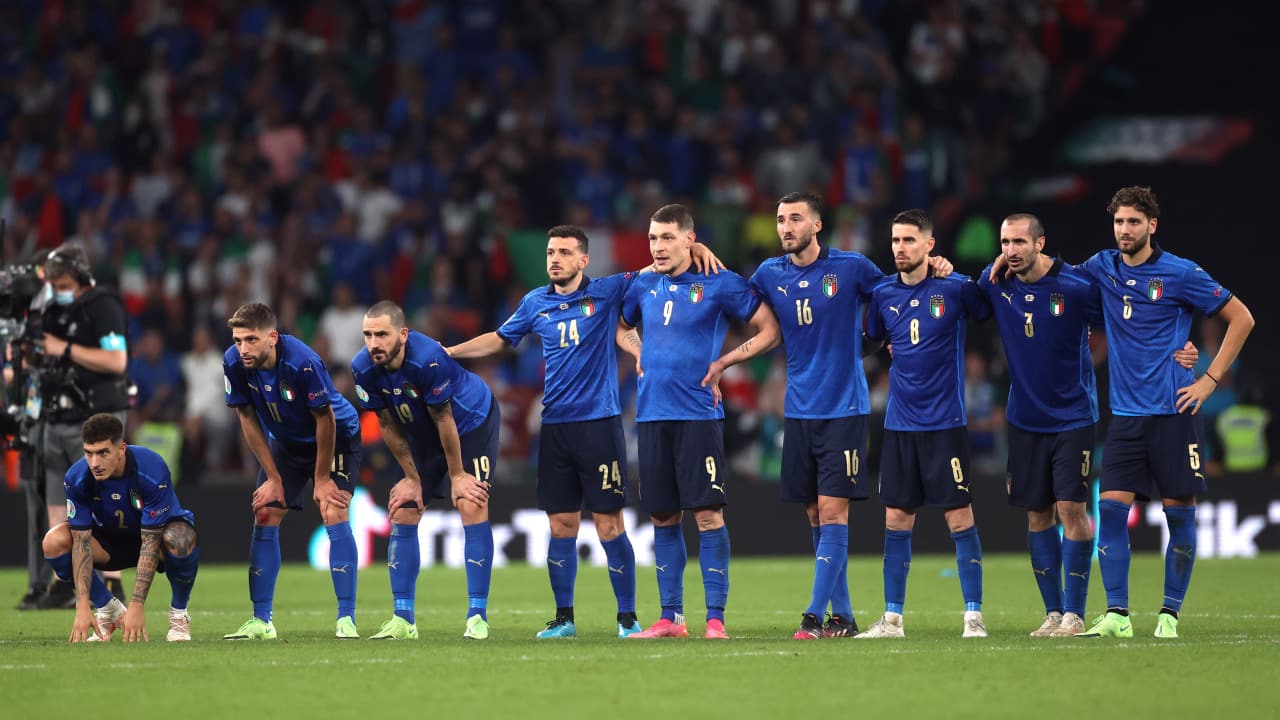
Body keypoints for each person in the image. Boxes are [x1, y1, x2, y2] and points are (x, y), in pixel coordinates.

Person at [447, 225, 723, 639]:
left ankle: (627, 618)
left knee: (610, 524)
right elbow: (500, 339)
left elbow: (658, 266)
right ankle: (564, 618)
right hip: (554, 427)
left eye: (563, 252)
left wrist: (693, 245)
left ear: (583, 260)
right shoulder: (534, 302)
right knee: (561, 525)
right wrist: (448, 352)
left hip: (599, 425)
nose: (554, 259)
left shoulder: (609, 291)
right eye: (550, 252)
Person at [979, 213, 1198, 637]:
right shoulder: (994, 283)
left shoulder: (1078, 287)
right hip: (1023, 419)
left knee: (1070, 509)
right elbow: (956, 305)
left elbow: (1130, 321)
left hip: (1074, 417)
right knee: (1037, 514)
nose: (1010, 251)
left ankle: (1076, 614)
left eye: (1019, 242)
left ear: (1040, 243)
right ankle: (1053, 612)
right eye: (1004, 242)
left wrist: (1180, 346)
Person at [747, 192, 934, 640]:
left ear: (817, 225)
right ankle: (844, 617)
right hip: (798, 412)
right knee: (815, 513)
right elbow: (729, 295)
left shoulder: (851, 267)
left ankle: (813, 616)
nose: (786, 227)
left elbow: (896, 290)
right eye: (780, 220)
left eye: (795, 219)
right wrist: (698, 253)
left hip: (845, 409)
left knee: (833, 513)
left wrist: (935, 271)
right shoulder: (768, 274)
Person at [1071, 187, 1253, 638]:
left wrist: (1208, 379)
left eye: (1133, 222)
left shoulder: (1181, 273)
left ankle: (1169, 615)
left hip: (1174, 413)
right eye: (1118, 223)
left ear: (1153, 225)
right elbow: (1054, 278)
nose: (1124, 231)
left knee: (1180, 516)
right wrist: (1005, 265)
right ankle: (1117, 615)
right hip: (1126, 417)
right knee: (1109, 513)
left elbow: (1242, 318)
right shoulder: (1103, 266)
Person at [619, 204, 781, 640]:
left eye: (667, 237)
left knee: (707, 516)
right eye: (653, 238)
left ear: (689, 240)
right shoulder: (642, 285)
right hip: (652, 415)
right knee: (663, 518)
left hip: (697, 416)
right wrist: (638, 351)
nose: (657, 246)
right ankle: (671, 618)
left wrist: (726, 361)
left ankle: (715, 619)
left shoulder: (720, 282)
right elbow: (620, 326)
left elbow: (769, 329)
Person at [857, 208, 992, 639]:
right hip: (899, 425)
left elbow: (988, 308)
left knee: (958, 516)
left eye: (910, 240)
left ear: (930, 245)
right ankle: (892, 619)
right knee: (896, 518)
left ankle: (974, 616)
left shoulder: (954, 289)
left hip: (945, 423)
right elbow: (879, 340)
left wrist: (959, 270)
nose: (900, 248)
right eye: (896, 240)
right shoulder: (882, 294)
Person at [352, 300, 500, 640]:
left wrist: (459, 475)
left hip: (470, 422)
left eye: (382, 335)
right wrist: (412, 478)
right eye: (368, 335)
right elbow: (387, 423)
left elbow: (444, 418)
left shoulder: (429, 358)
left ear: (403, 334)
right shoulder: (362, 368)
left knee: (471, 502)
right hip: (421, 430)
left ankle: (477, 616)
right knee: (404, 510)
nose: (374, 343)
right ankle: (403, 620)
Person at [222, 303, 363, 640]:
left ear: (272, 337)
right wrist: (273, 477)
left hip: (335, 437)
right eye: (238, 340)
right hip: (286, 442)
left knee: (333, 509)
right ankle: (261, 621)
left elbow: (325, 420)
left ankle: (347, 620)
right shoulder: (233, 362)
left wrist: (323, 478)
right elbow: (246, 417)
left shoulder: (303, 363)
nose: (243, 348)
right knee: (265, 513)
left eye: (251, 340)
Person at [41, 413, 198, 642]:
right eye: (88, 453)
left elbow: (151, 542)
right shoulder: (77, 477)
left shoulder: (151, 468)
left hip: (156, 541)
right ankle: (108, 608)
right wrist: (82, 607)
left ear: (121, 449)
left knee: (181, 538)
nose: (94, 463)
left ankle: (179, 616)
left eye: (103, 453)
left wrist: (136, 605)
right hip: (108, 544)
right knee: (54, 542)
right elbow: (82, 543)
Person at [35, 243, 131, 607]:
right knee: (59, 496)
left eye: (60, 281)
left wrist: (64, 349)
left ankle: (112, 579)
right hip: (58, 414)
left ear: (77, 277)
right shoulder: (58, 312)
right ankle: (65, 580)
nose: (54, 289)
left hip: (97, 416)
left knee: (102, 494)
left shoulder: (101, 305)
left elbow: (116, 360)